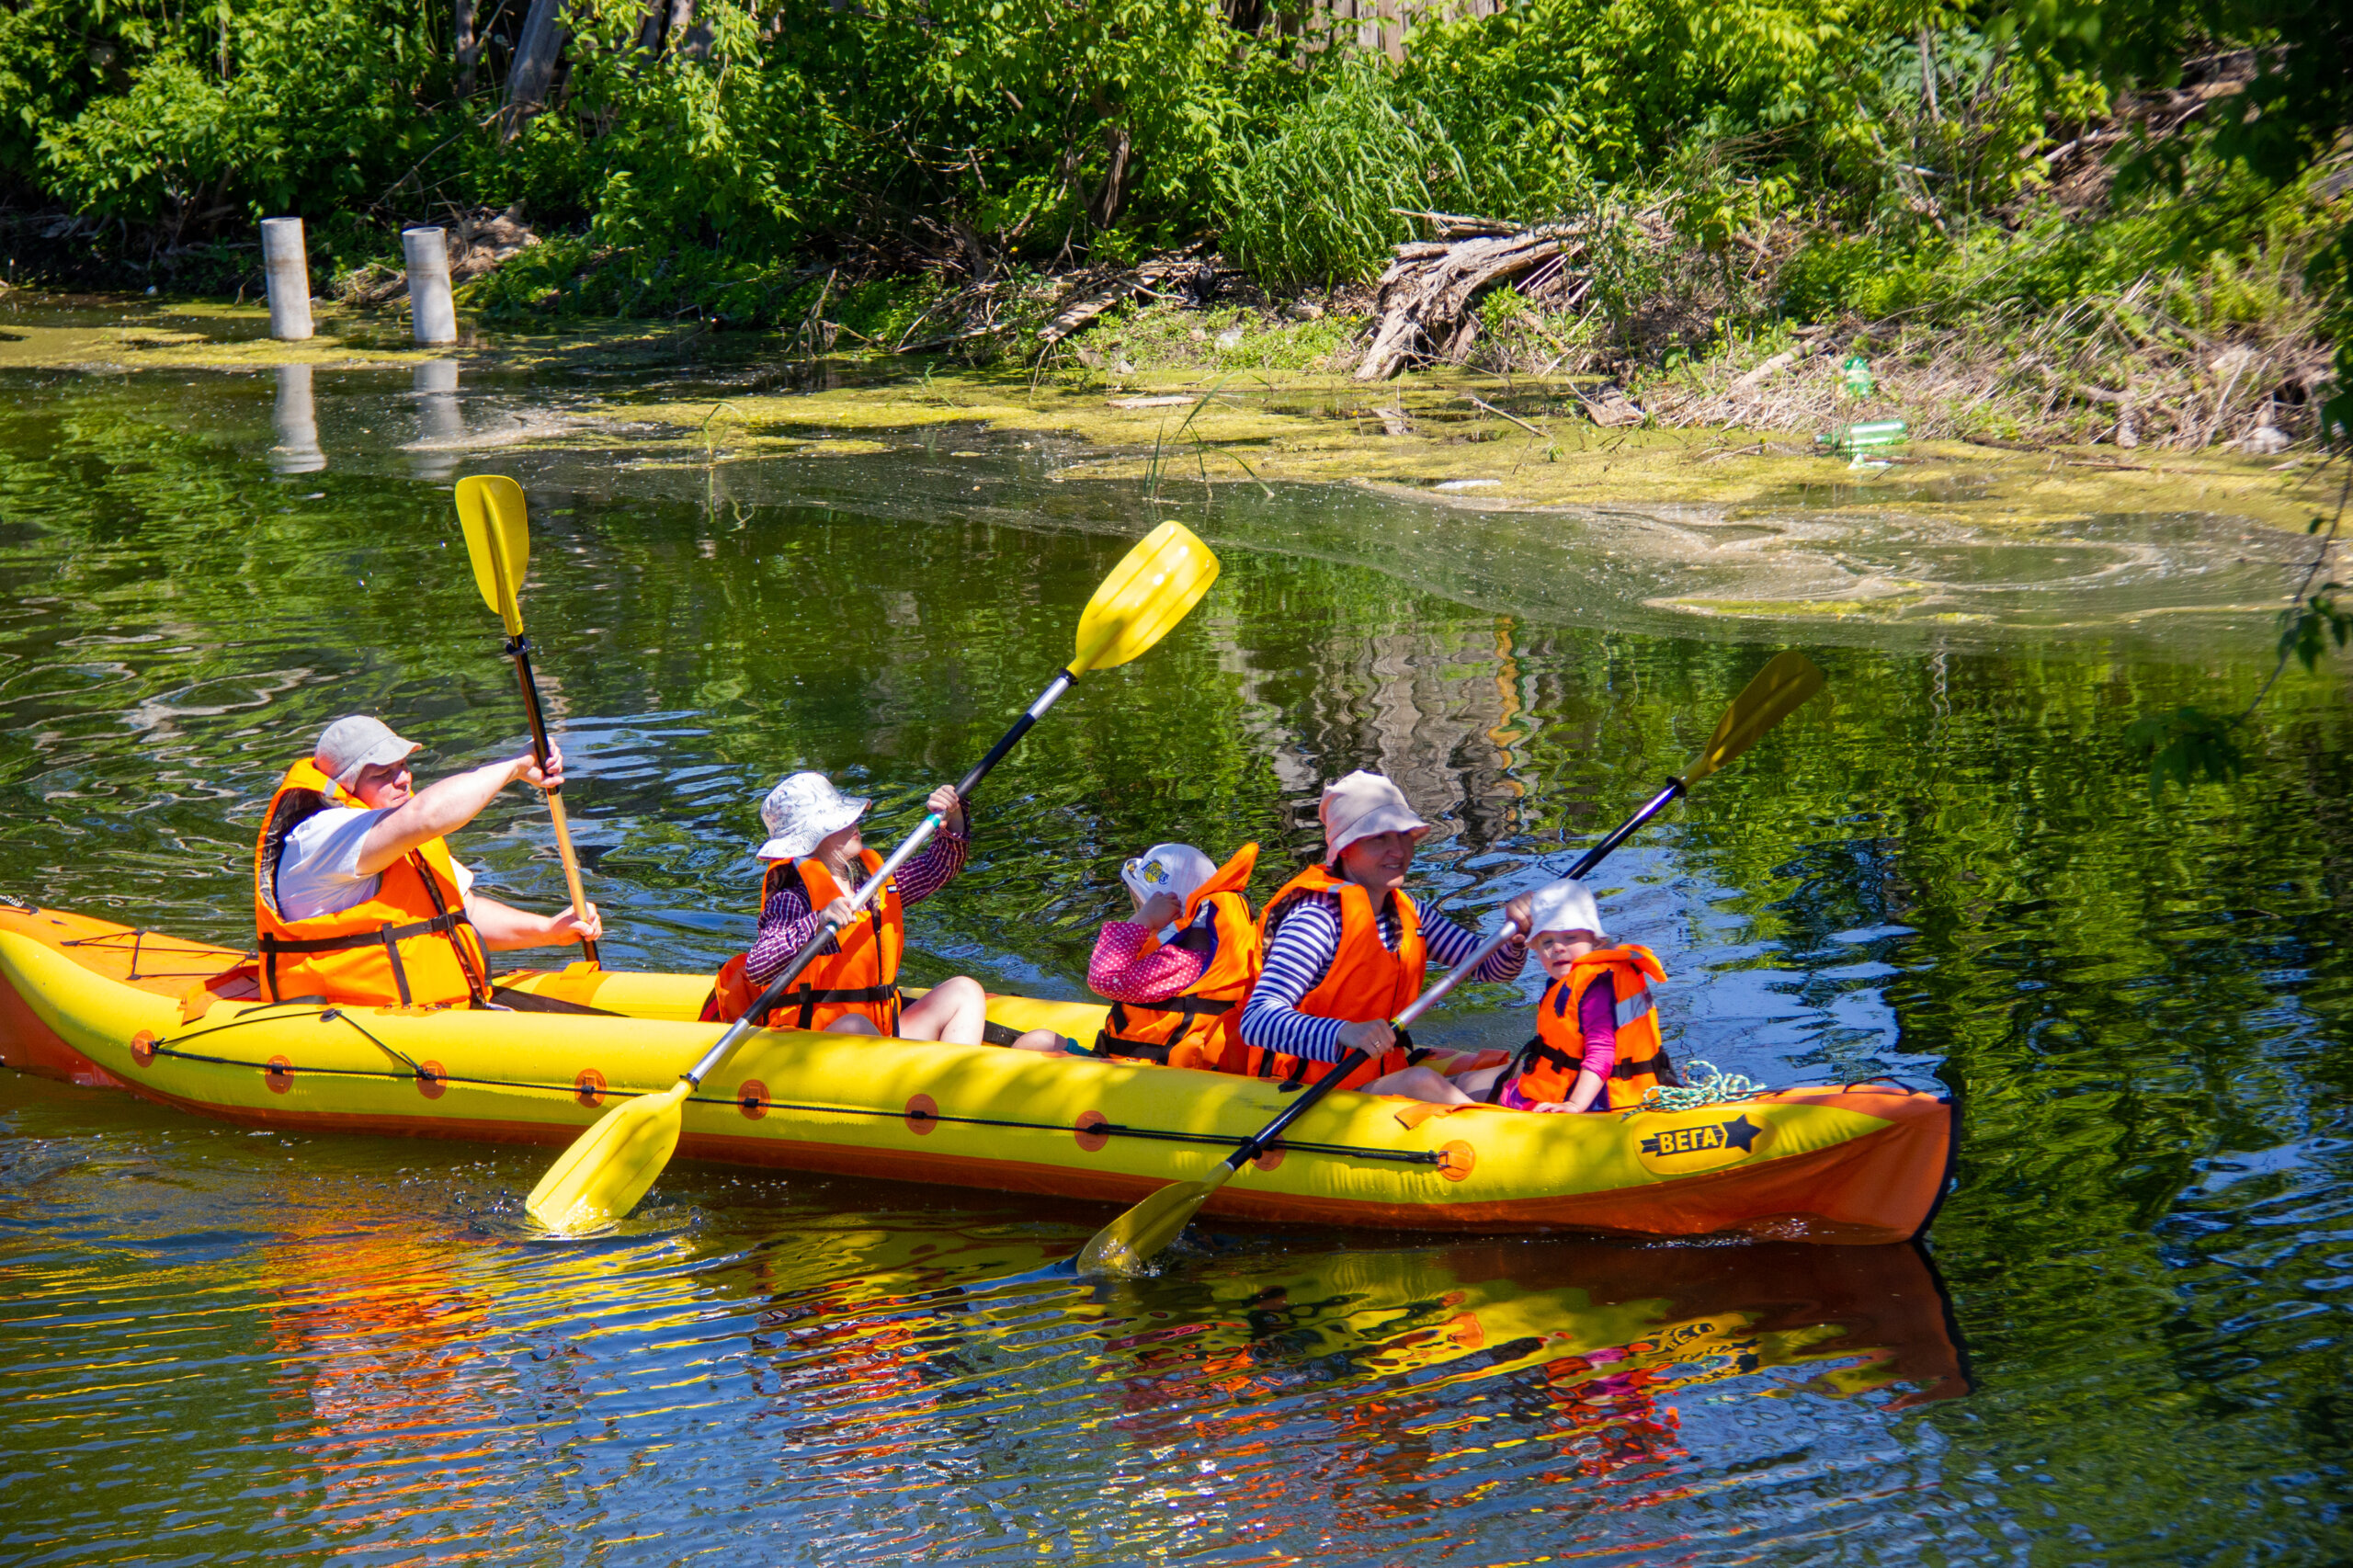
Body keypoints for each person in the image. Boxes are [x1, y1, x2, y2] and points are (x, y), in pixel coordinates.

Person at [255, 715, 602, 1006]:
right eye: (382, 773)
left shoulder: (392, 832)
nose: (403, 779)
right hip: (358, 1024)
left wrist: (550, 931)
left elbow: (464, 913)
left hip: (430, 1013)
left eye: (403, 765)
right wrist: (515, 765)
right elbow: (426, 815)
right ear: (344, 785)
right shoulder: (321, 836)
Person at [1234, 771, 1533, 1104]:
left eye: (1403, 835)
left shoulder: (1409, 911)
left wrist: (1515, 937)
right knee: (1421, 1082)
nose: (1398, 850)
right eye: (1379, 838)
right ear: (1345, 849)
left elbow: (1493, 970)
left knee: (1524, 1070)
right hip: (1313, 1089)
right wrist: (1344, 1032)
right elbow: (1257, 1020)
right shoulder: (1316, 919)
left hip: (1381, 1073)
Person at [707, 771, 1062, 1051]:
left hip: (884, 1026)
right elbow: (758, 966)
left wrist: (952, 819)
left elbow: (937, 868)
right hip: (814, 1039)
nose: (856, 821)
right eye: (843, 820)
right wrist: (815, 924)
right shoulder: (793, 894)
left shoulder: (869, 881)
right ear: (816, 836)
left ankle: (952, 1085)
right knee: (855, 1027)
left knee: (964, 990)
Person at [1454, 878, 1676, 1112]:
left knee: (1419, 1081)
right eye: (1548, 941)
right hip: (1606, 1090)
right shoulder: (1586, 980)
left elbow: (1601, 1053)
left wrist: (1574, 1105)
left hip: (1592, 1100)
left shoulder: (1595, 986)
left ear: (1596, 941)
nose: (1558, 948)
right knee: (1467, 1082)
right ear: (1537, 949)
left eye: (1570, 937)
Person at [1087, 841, 1261, 1068]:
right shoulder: (1208, 947)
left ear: (1169, 911)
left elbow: (1104, 979)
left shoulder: (1183, 958)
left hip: (1150, 1070)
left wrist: (1143, 920)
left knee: (1039, 1041)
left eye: (1143, 904)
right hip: (1170, 1062)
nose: (1138, 909)